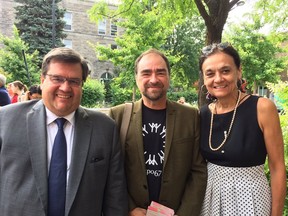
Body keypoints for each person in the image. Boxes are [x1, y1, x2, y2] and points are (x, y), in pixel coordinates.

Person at [0, 47, 128, 216]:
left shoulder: (104, 128)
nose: (65, 88)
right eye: (57, 78)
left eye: (74, 81)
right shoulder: (6, 120)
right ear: (42, 80)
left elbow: (115, 198)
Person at [109, 48, 207, 216]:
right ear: (136, 78)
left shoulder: (190, 116)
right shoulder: (117, 116)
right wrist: (129, 208)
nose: (153, 79)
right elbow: (111, 170)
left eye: (160, 72)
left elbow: (198, 171)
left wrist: (185, 213)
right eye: (146, 73)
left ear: (169, 77)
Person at [199, 42, 286, 216]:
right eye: (210, 73)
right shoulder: (203, 114)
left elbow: (277, 168)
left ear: (239, 71)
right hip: (211, 200)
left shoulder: (262, 108)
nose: (218, 79)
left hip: (251, 199)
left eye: (225, 71)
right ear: (204, 78)